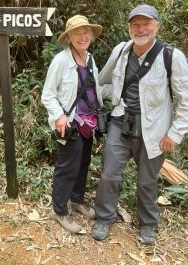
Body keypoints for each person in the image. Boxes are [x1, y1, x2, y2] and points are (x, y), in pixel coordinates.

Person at [91, 4, 188, 245]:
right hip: (120, 122)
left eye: (146, 24)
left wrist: (175, 133)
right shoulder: (121, 51)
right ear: (128, 28)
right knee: (109, 175)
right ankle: (105, 217)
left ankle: (148, 224)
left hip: (155, 130)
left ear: (156, 25)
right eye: (135, 24)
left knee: (147, 181)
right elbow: (103, 82)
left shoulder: (171, 57)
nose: (141, 29)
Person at [41, 15, 104, 233]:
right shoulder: (60, 61)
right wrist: (59, 116)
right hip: (69, 124)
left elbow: (94, 91)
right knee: (67, 167)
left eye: (86, 32)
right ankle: (60, 211)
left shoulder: (91, 60)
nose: (83, 36)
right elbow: (47, 94)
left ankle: (77, 200)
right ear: (69, 37)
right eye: (77, 33)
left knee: (83, 163)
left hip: (89, 123)